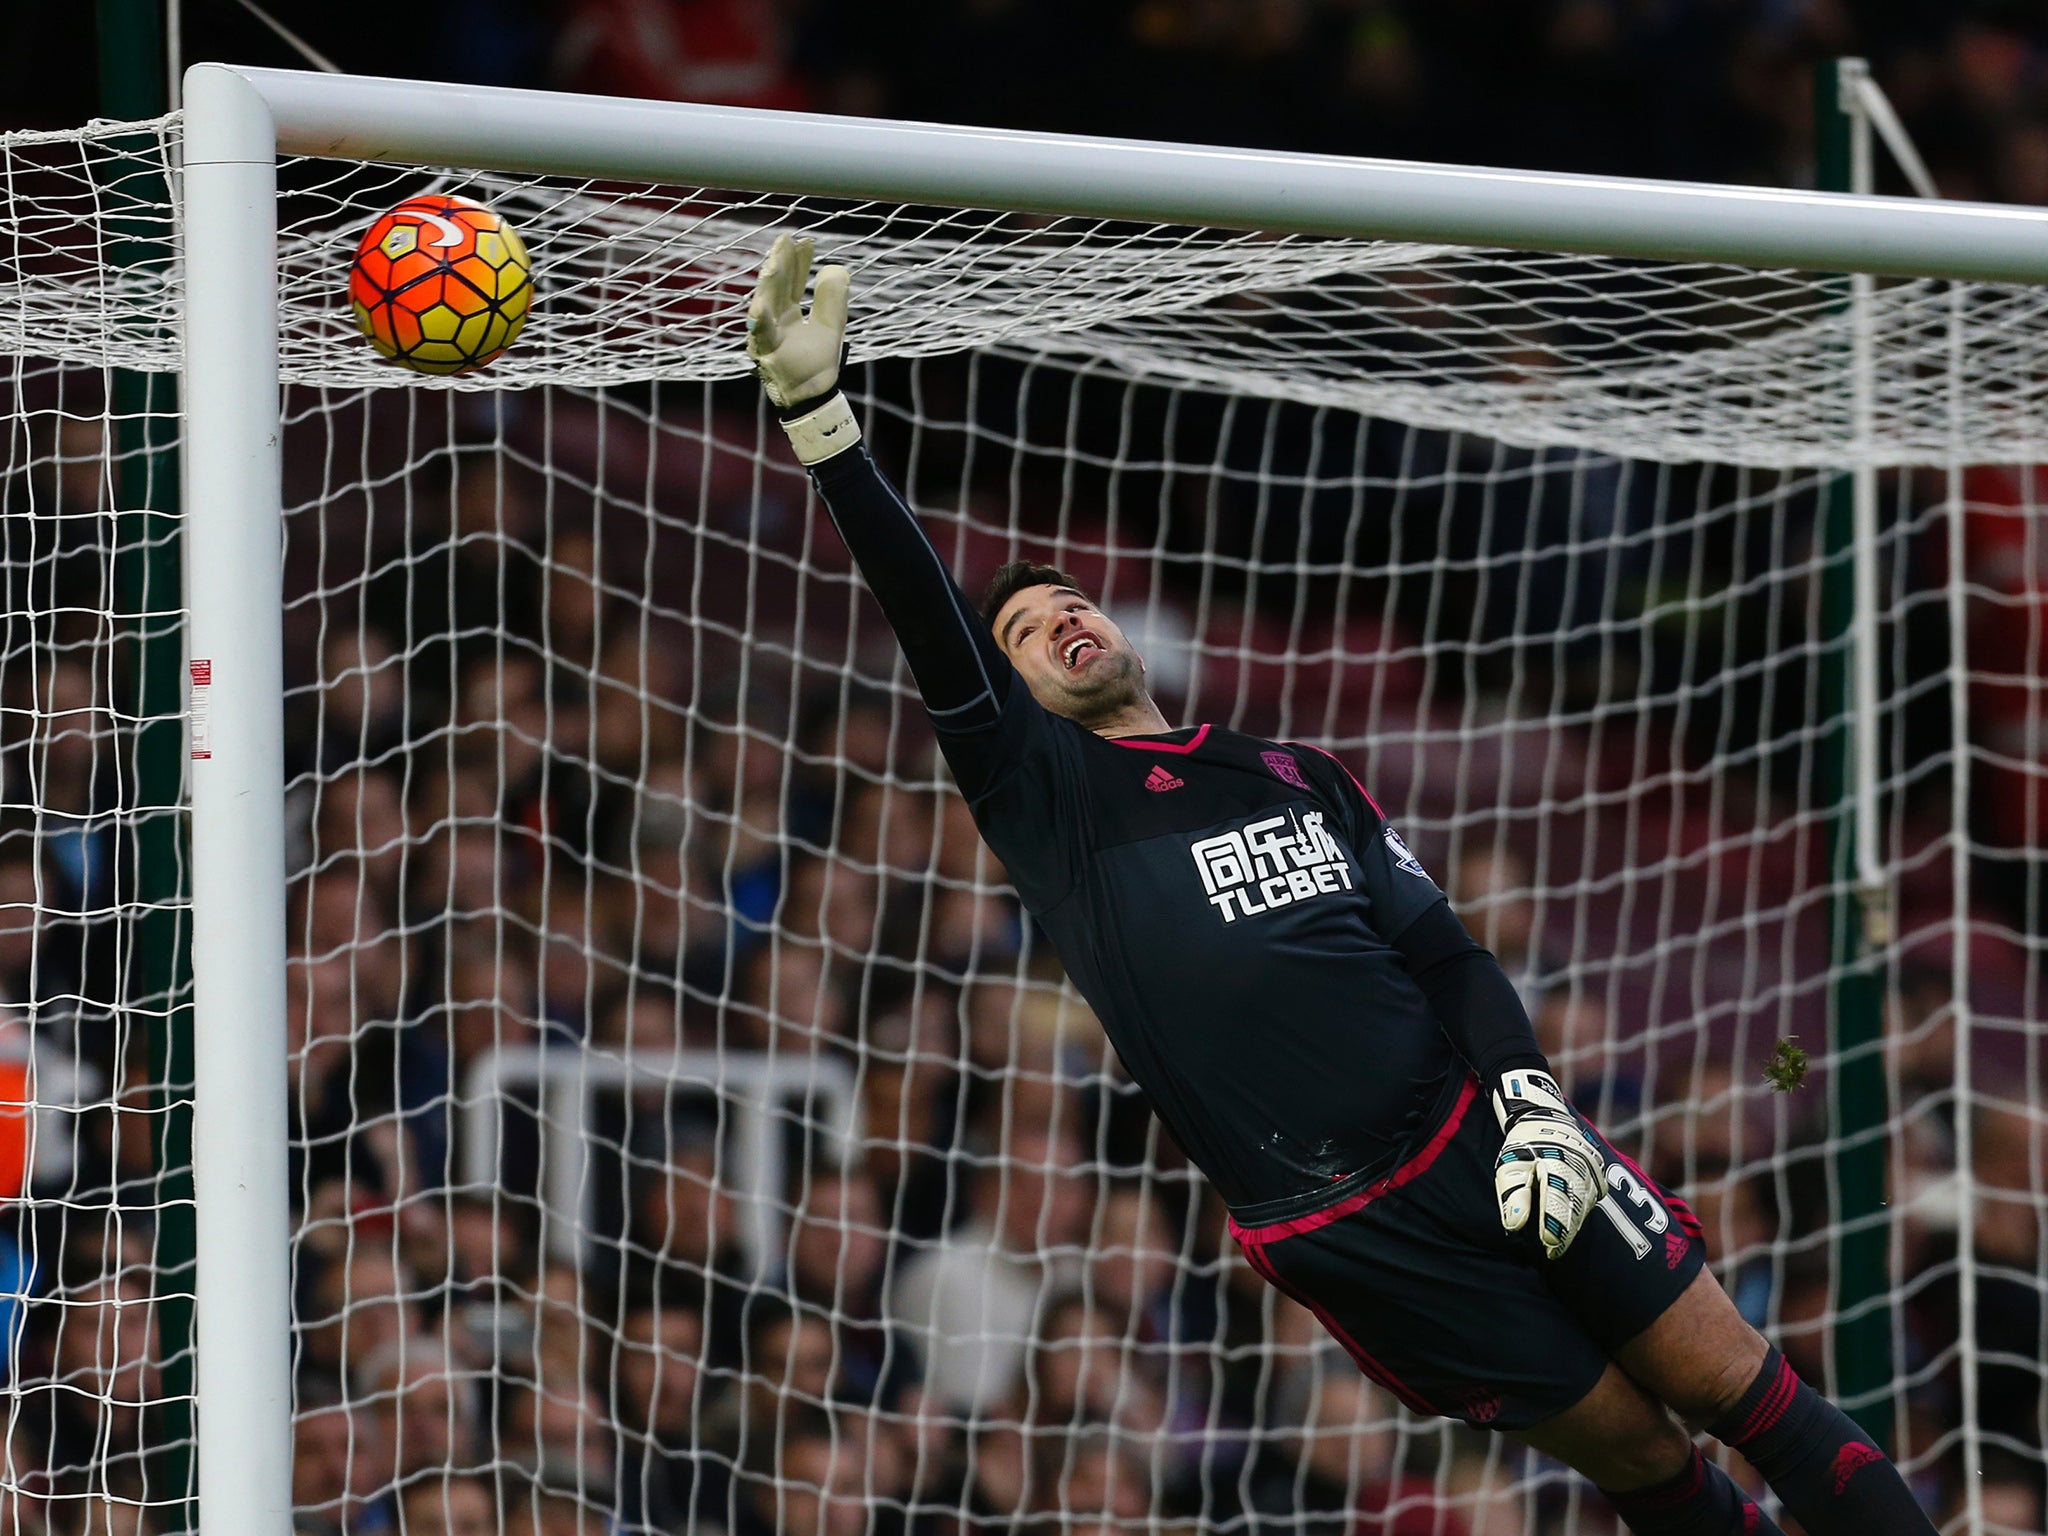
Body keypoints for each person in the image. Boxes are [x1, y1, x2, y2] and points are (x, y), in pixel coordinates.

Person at [745, 234, 1937, 1536]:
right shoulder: (1053, 804)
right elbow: (934, 632)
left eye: (1074, 602)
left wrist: (1533, 1103)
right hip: (1347, 1228)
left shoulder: (1295, 771)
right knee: (1648, 1467)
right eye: (1028, 633)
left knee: (1746, 1391)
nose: (1064, 622)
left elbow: (1443, 952)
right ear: (1015, 693)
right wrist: (826, 427)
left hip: (1486, 1130)